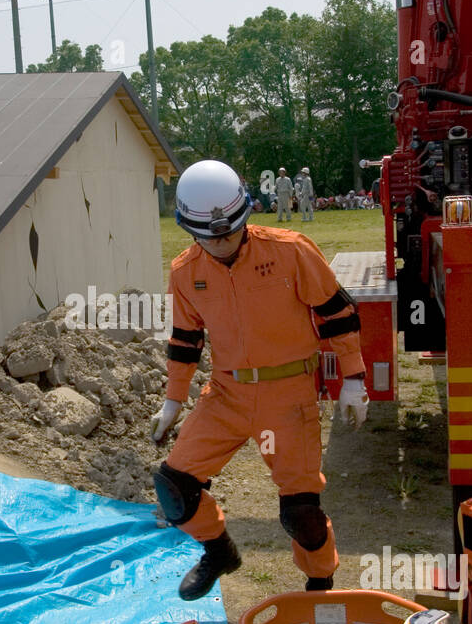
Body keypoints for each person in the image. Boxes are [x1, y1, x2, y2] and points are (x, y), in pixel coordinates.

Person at [151, 159, 369, 600]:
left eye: (230, 232)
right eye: (210, 238)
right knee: (175, 488)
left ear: (245, 214)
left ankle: (320, 583)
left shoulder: (290, 251)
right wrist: (173, 401)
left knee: (301, 513)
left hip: (288, 397)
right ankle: (219, 551)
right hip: (227, 395)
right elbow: (185, 340)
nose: (222, 244)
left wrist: (354, 378)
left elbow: (338, 313)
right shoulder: (185, 271)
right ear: (191, 230)